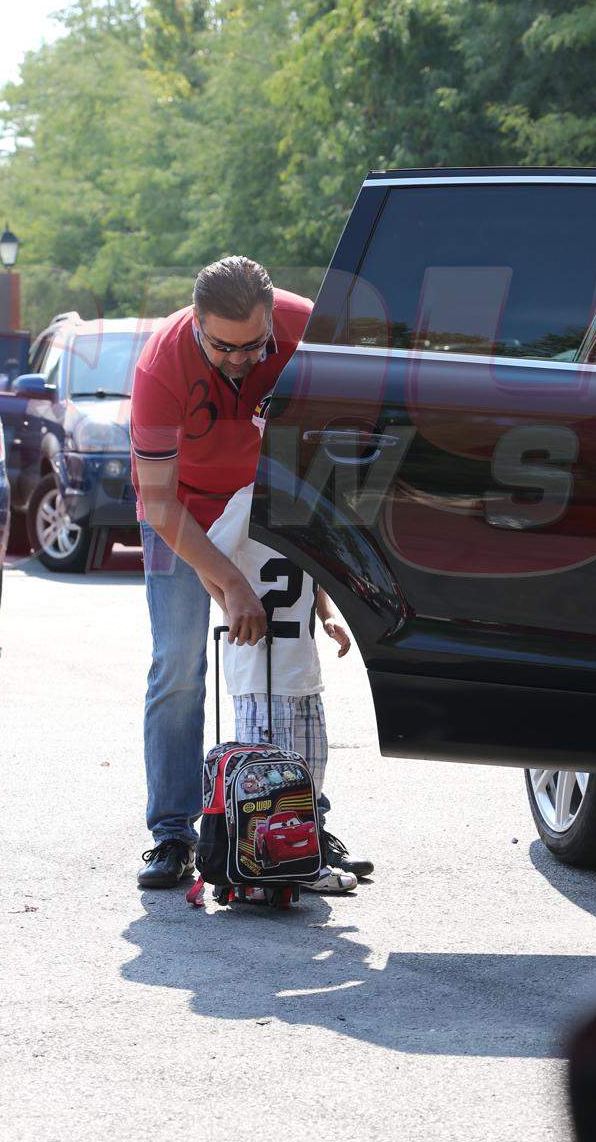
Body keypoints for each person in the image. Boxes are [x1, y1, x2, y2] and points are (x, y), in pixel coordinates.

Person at [131, 255, 373, 888]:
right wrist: (230, 583)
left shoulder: (309, 334)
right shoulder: (161, 364)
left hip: (271, 504)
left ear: (272, 322)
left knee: (286, 659)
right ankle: (173, 833)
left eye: (253, 346)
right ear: (195, 325)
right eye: (222, 347)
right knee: (179, 665)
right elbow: (157, 502)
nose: (240, 359)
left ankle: (300, 824)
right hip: (183, 508)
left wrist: (314, 583)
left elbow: (332, 462)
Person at [207, 481, 359, 893]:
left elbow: (314, 568)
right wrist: (230, 605)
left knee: (311, 770)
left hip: (301, 665)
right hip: (260, 666)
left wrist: (327, 614)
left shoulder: (312, 499)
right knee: (265, 777)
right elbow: (205, 558)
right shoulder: (249, 499)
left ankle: (301, 860)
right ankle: (255, 870)